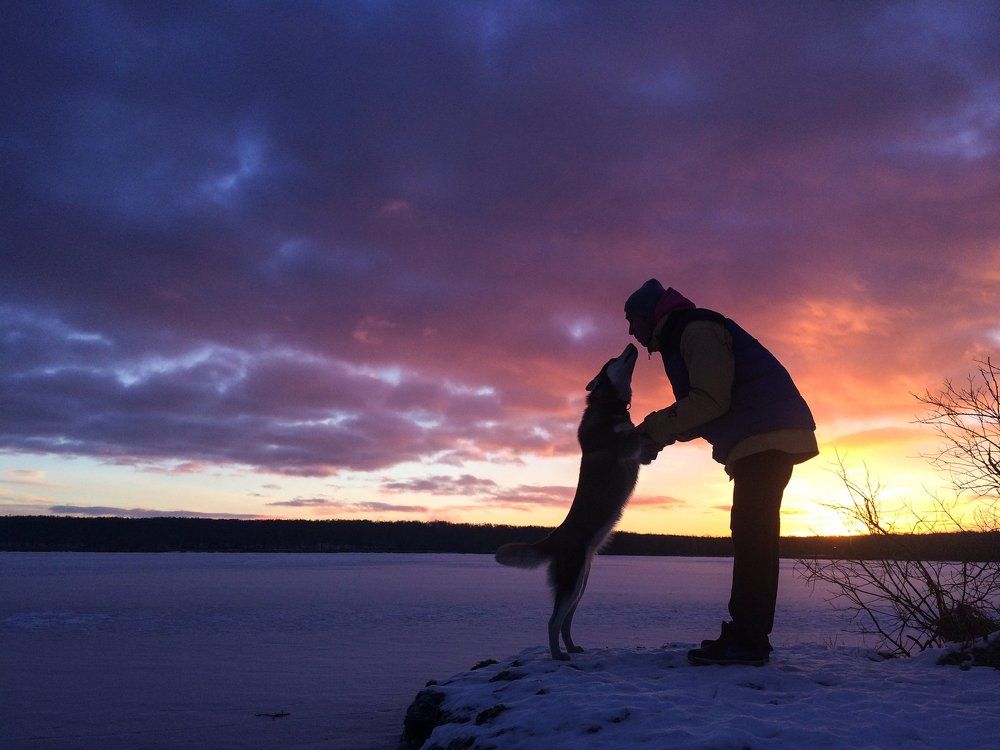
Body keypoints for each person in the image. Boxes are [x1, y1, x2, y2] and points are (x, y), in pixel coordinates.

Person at [625, 278, 818, 666]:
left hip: (766, 435)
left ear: (649, 316)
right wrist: (655, 440)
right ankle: (748, 634)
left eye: (632, 321)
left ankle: (748, 639)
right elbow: (703, 407)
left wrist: (648, 431)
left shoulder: (695, 330)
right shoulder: (683, 337)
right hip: (763, 436)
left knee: (752, 534)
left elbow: (710, 400)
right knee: (753, 533)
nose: (631, 331)